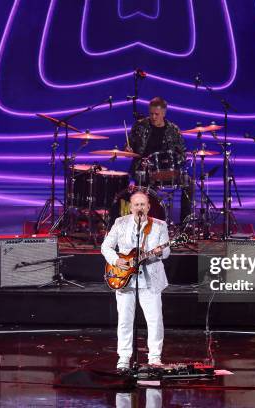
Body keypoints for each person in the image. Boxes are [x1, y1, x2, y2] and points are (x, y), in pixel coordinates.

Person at [101, 190, 170, 372]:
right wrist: (117, 261)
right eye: (136, 205)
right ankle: (124, 357)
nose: (140, 207)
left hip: (150, 279)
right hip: (125, 279)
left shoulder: (159, 225)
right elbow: (106, 247)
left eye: (143, 204)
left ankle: (154, 357)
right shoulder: (120, 223)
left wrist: (158, 252)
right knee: (124, 319)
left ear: (148, 207)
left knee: (155, 319)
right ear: (130, 208)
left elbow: (167, 251)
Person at [127, 97, 191, 222]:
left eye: (157, 114)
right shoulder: (140, 126)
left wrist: (176, 162)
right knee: (140, 188)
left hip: (167, 171)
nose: (153, 117)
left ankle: (185, 225)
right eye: (151, 114)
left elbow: (183, 154)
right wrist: (128, 150)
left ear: (164, 113)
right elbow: (129, 147)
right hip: (144, 170)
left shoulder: (173, 130)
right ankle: (141, 222)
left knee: (190, 183)